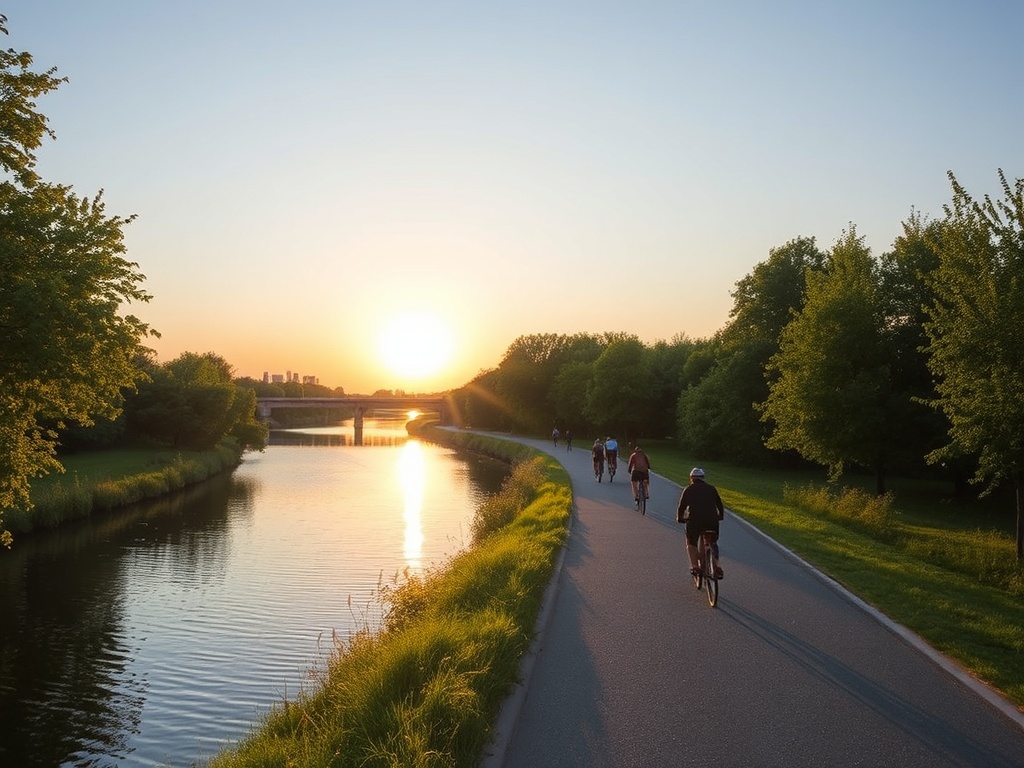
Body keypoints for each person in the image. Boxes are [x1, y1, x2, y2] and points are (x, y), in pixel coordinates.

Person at [675, 467, 725, 579]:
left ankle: (695, 567)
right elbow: (719, 504)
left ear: (691, 478)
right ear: (703, 478)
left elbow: (681, 506)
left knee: (691, 542)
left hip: (695, 521)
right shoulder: (712, 489)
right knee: (712, 542)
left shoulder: (688, 490)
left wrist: (680, 518)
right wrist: (720, 516)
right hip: (712, 520)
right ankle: (717, 566)